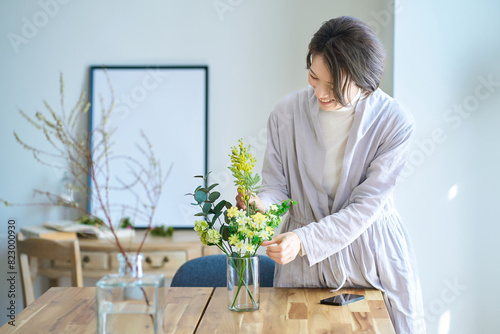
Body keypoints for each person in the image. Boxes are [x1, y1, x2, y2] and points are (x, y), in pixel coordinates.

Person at [236, 16, 426, 333]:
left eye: (334, 86)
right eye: (313, 77)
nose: (321, 93)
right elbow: (276, 187)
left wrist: (304, 239)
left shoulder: (394, 122)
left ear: (365, 82)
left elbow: (366, 206)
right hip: (302, 267)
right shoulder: (286, 113)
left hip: (371, 257)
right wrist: (262, 205)